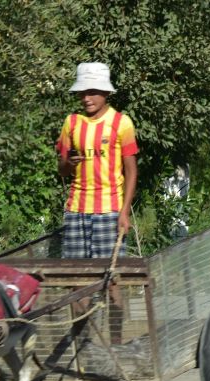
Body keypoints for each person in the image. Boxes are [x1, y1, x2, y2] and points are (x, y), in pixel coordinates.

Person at [56, 62, 139, 344]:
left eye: (92, 92)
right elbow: (62, 169)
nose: (86, 98)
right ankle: (83, 345)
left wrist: (124, 212)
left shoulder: (121, 123)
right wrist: (68, 162)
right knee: (76, 281)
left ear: (105, 93)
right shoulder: (72, 123)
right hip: (76, 212)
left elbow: (131, 170)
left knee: (112, 280)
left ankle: (116, 344)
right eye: (82, 93)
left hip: (109, 212)